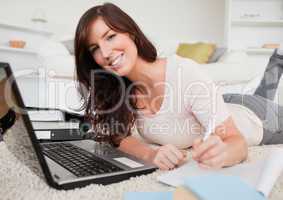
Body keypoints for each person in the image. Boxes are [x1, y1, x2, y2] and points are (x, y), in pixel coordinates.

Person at [74, 3, 283, 170]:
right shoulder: (119, 88)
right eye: (95, 48)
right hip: (219, 103)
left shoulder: (184, 73)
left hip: (256, 117)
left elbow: (237, 142)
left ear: (131, 33)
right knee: (243, 97)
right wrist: (150, 154)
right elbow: (119, 138)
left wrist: (225, 153)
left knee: (264, 100)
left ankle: (278, 59)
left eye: (110, 36)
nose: (106, 52)